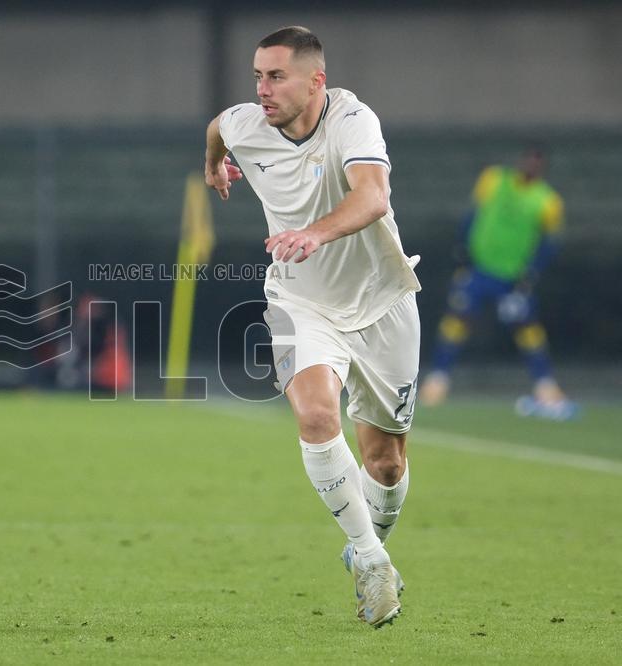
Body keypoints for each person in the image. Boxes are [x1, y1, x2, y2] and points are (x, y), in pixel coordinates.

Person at [204, 26, 421, 627]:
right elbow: (220, 127)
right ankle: (373, 562)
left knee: (386, 464)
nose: (262, 89)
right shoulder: (247, 122)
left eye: (276, 76)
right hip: (301, 300)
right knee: (318, 416)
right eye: (256, 75)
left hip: (382, 302)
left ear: (315, 81)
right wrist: (214, 165)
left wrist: (315, 232)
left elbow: (373, 197)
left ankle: (365, 541)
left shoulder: (354, 121)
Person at [420, 148, 576, 419]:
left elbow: (549, 243)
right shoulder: (494, 179)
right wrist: (462, 251)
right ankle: (438, 380)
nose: (530, 165)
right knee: (457, 319)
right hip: (479, 270)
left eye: (536, 163)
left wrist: (532, 272)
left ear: (542, 168)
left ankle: (545, 385)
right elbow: (472, 215)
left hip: (512, 278)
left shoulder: (548, 201)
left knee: (527, 327)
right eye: (527, 159)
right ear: (520, 161)